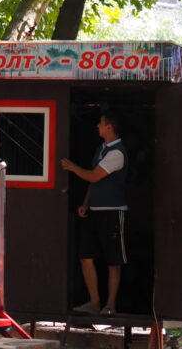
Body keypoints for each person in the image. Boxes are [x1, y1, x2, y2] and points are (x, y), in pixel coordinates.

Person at [60, 111, 128, 316]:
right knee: (85, 256)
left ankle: (110, 305)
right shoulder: (101, 149)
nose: (97, 126)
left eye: (100, 123)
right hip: (95, 212)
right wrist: (86, 203)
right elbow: (94, 181)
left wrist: (71, 167)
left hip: (113, 213)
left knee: (113, 261)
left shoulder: (117, 152)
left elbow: (93, 176)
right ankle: (95, 302)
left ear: (109, 128)